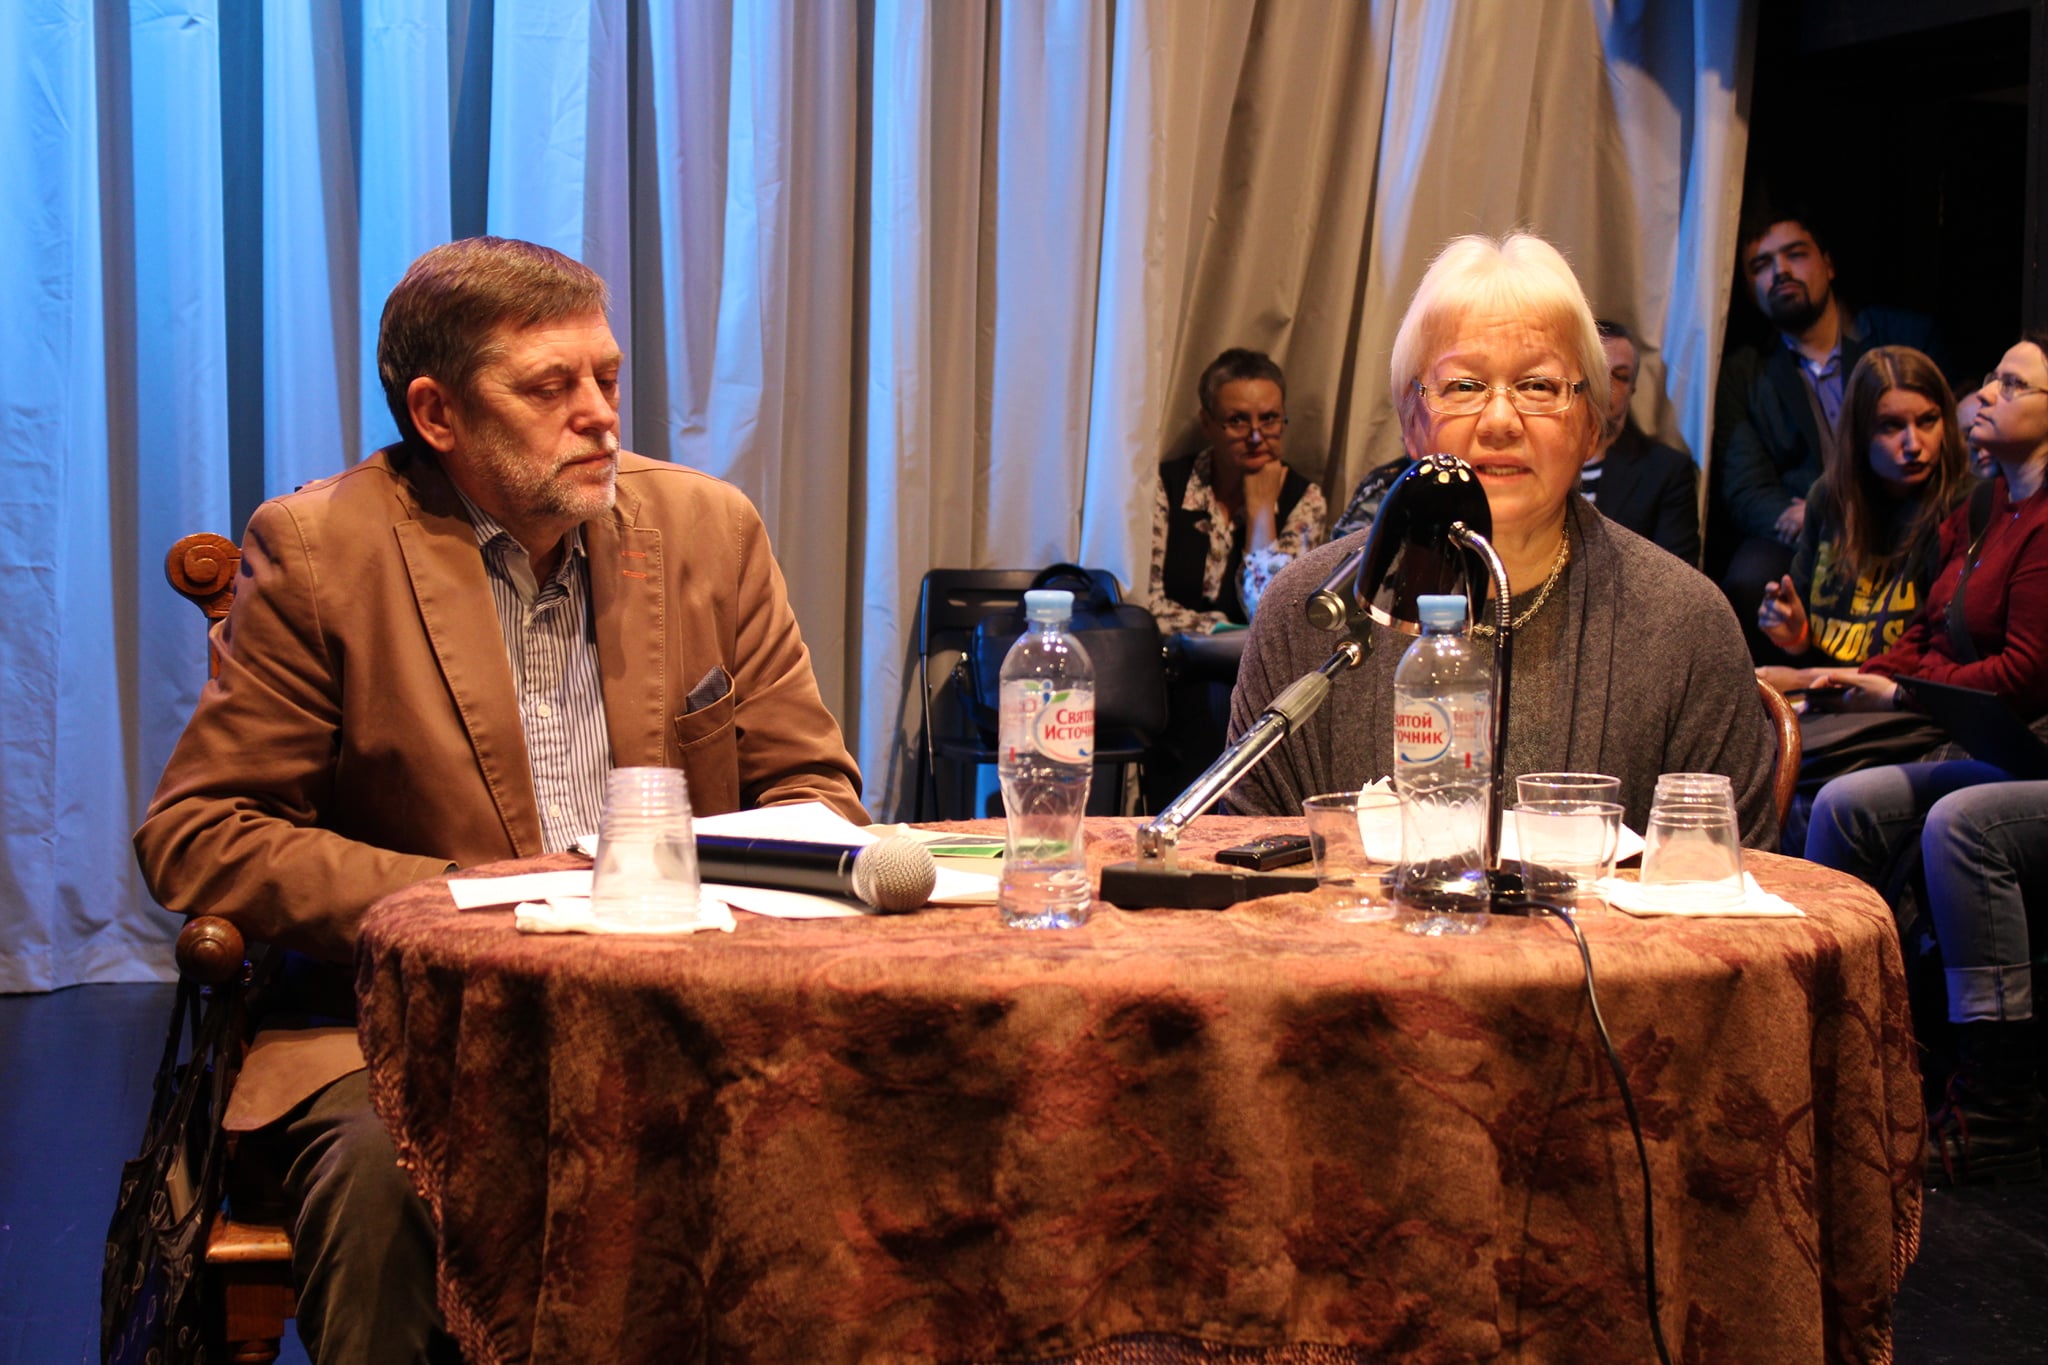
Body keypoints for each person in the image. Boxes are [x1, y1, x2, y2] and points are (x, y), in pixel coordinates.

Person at [133, 237, 865, 1363]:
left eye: (606, 378)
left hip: (685, 1011)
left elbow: (814, 793)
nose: (599, 416)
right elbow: (199, 834)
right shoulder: (323, 551)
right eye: (549, 387)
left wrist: (689, 896)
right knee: (386, 1187)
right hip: (409, 1034)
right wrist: (468, 898)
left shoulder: (707, 530)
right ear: (438, 414)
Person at [1227, 233, 1778, 846]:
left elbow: (1736, 882)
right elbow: (1248, 866)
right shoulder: (1306, 613)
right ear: (1411, 422)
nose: (1499, 422)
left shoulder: (1684, 623)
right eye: (1463, 387)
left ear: (1591, 426)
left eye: (1538, 386)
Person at [1805, 333, 2048, 1184]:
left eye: (2013, 383)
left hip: (2033, 750)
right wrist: (1861, 674)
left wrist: (1907, 692)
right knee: (1846, 802)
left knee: (1962, 824)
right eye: (1993, 377)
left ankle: (1996, 1102)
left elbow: (2024, 674)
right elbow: (1926, 632)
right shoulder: (1986, 508)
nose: (1987, 393)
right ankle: (1834, 1043)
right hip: (2006, 746)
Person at [1710, 210, 1940, 655]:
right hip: (1803, 533)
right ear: (1749, 289)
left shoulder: (1901, 335)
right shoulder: (1744, 371)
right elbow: (1746, 487)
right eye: (1761, 265)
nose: (1780, 271)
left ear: (1828, 265)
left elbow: (1943, 438)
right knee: (1750, 575)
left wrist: (1837, 508)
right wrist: (1820, 522)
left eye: (1795, 254)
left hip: (1904, 510)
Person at [1755, 346, 1974, 670]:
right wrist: (1793, 634)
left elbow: (1939, 656)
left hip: (1907, 692)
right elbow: (1806, 638)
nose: (1914, 445)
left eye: (1928, 421)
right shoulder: (1829, 497)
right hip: (1829, 688)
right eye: (1891, 426)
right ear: (1859, 433)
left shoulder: (1965, 504)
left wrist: (1806, 679)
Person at [1146, 348, 1326, 634]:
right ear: (1207, 424)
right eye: (1237, 420)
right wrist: (1223, 633)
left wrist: (1262, 513)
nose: (1255, 436)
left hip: (1252, 662)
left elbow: (1275, 619)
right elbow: (1145, 604)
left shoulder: (1305, 499)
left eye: (1269, 418)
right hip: (1166, 656)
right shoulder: (1166, 486)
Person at [1579, 319, 1700, 563]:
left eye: (1620, 376)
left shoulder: (1665, 471)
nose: (1607, 386)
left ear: (1632, 389)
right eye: (1597, 372)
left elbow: (1677, 571)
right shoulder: (1540, 457)